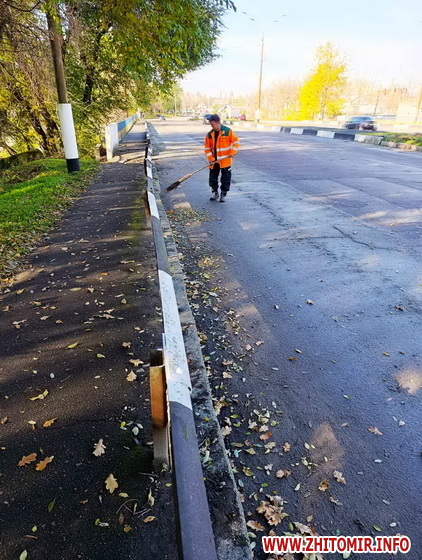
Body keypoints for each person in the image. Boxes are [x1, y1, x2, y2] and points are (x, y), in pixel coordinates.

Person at [204, 114, 239, 202]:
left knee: (225, 179)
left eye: (212, 124)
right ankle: (215, 192)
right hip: (214, 162)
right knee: (213, 179)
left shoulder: (228, 131)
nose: (211, 126)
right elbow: (207, 148)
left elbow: (236, 143)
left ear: (218, 122)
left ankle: (223, 193)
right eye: (211, 124)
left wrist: (232, 152)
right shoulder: (209, 134)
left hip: (225, 161)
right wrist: (211, 159)